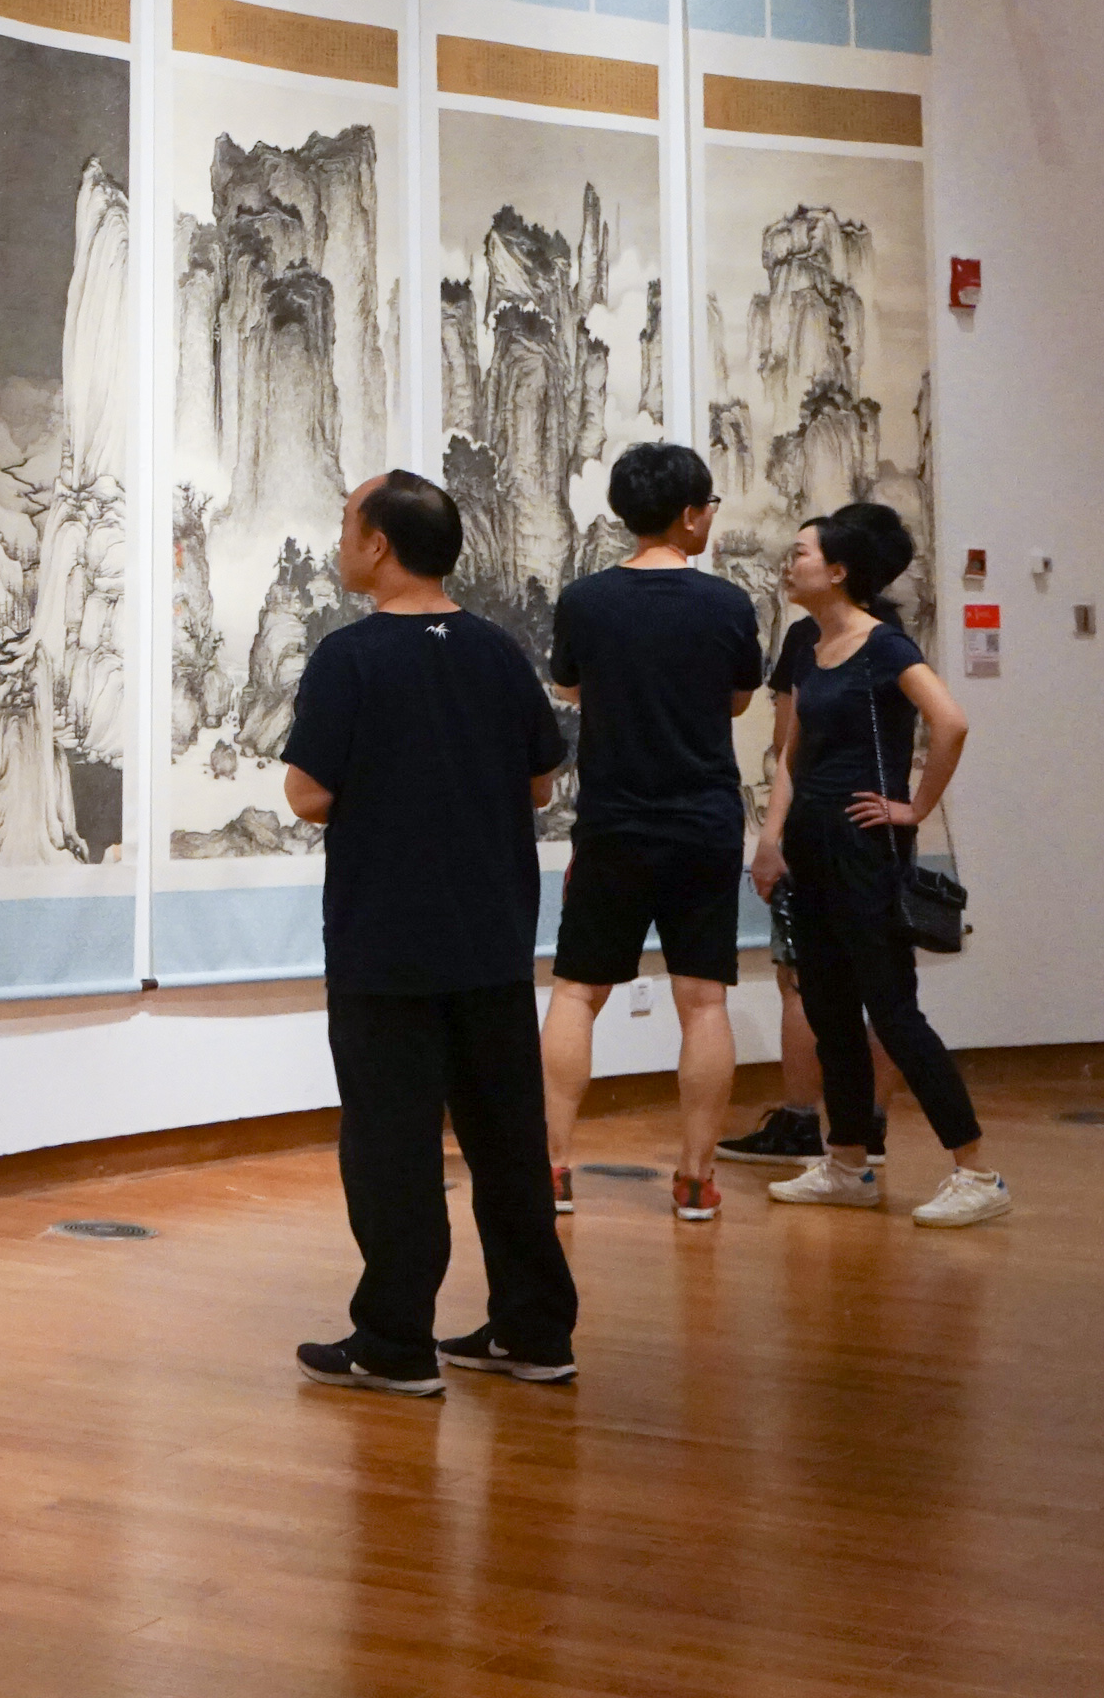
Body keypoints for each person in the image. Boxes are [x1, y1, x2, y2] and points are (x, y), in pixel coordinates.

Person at [283, 471, 580, 1395]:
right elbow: (541, 783)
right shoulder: (497, 650)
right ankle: (536, 1331)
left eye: (348, 523)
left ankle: (395, 1340)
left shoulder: (350, 657)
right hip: (492, 934)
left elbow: (308, 794)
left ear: (378, 545)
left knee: (393, 1148)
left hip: (385, 940)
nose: (341, 539)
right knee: (509, 1143)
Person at [750, 500, 1010, 1227]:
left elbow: (951, 722)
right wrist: (772, 838)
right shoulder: (810, 645)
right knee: (830, 1011)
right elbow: (793, 753)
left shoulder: (885, 645)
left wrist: (915, 806)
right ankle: (848, 1164)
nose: (789, 563)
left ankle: (977, 1172)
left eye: (801, 553)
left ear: (838, 571)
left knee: (893, 1013)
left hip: (865, 850)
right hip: (812, 848)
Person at [540, 443, 769, 1221]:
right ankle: (696, 1178)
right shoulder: (727, 604)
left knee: (577, 993)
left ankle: (553, 1167)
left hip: (613, 821)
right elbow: (738, 700)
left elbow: (569, 685)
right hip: (703, 824)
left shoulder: (586, 600)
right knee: (703, 1003)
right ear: (690, 514)